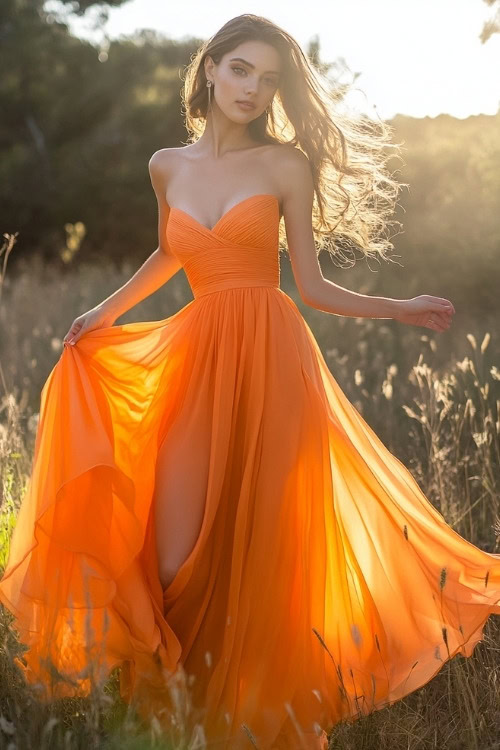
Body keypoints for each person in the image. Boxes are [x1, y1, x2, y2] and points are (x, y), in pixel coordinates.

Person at [1, 13, 499, 750]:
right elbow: (170, 253)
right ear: (211, 68)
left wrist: (400, 307)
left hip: (271, 355)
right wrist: (102, 310)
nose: (253, 90)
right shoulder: (166, 164)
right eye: (241, 71)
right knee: (170, 553)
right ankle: (175, 701)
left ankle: (245, 714)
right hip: (198, 354)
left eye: (268, 80)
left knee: (262, 537)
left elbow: (314, 286)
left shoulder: (284, 167)